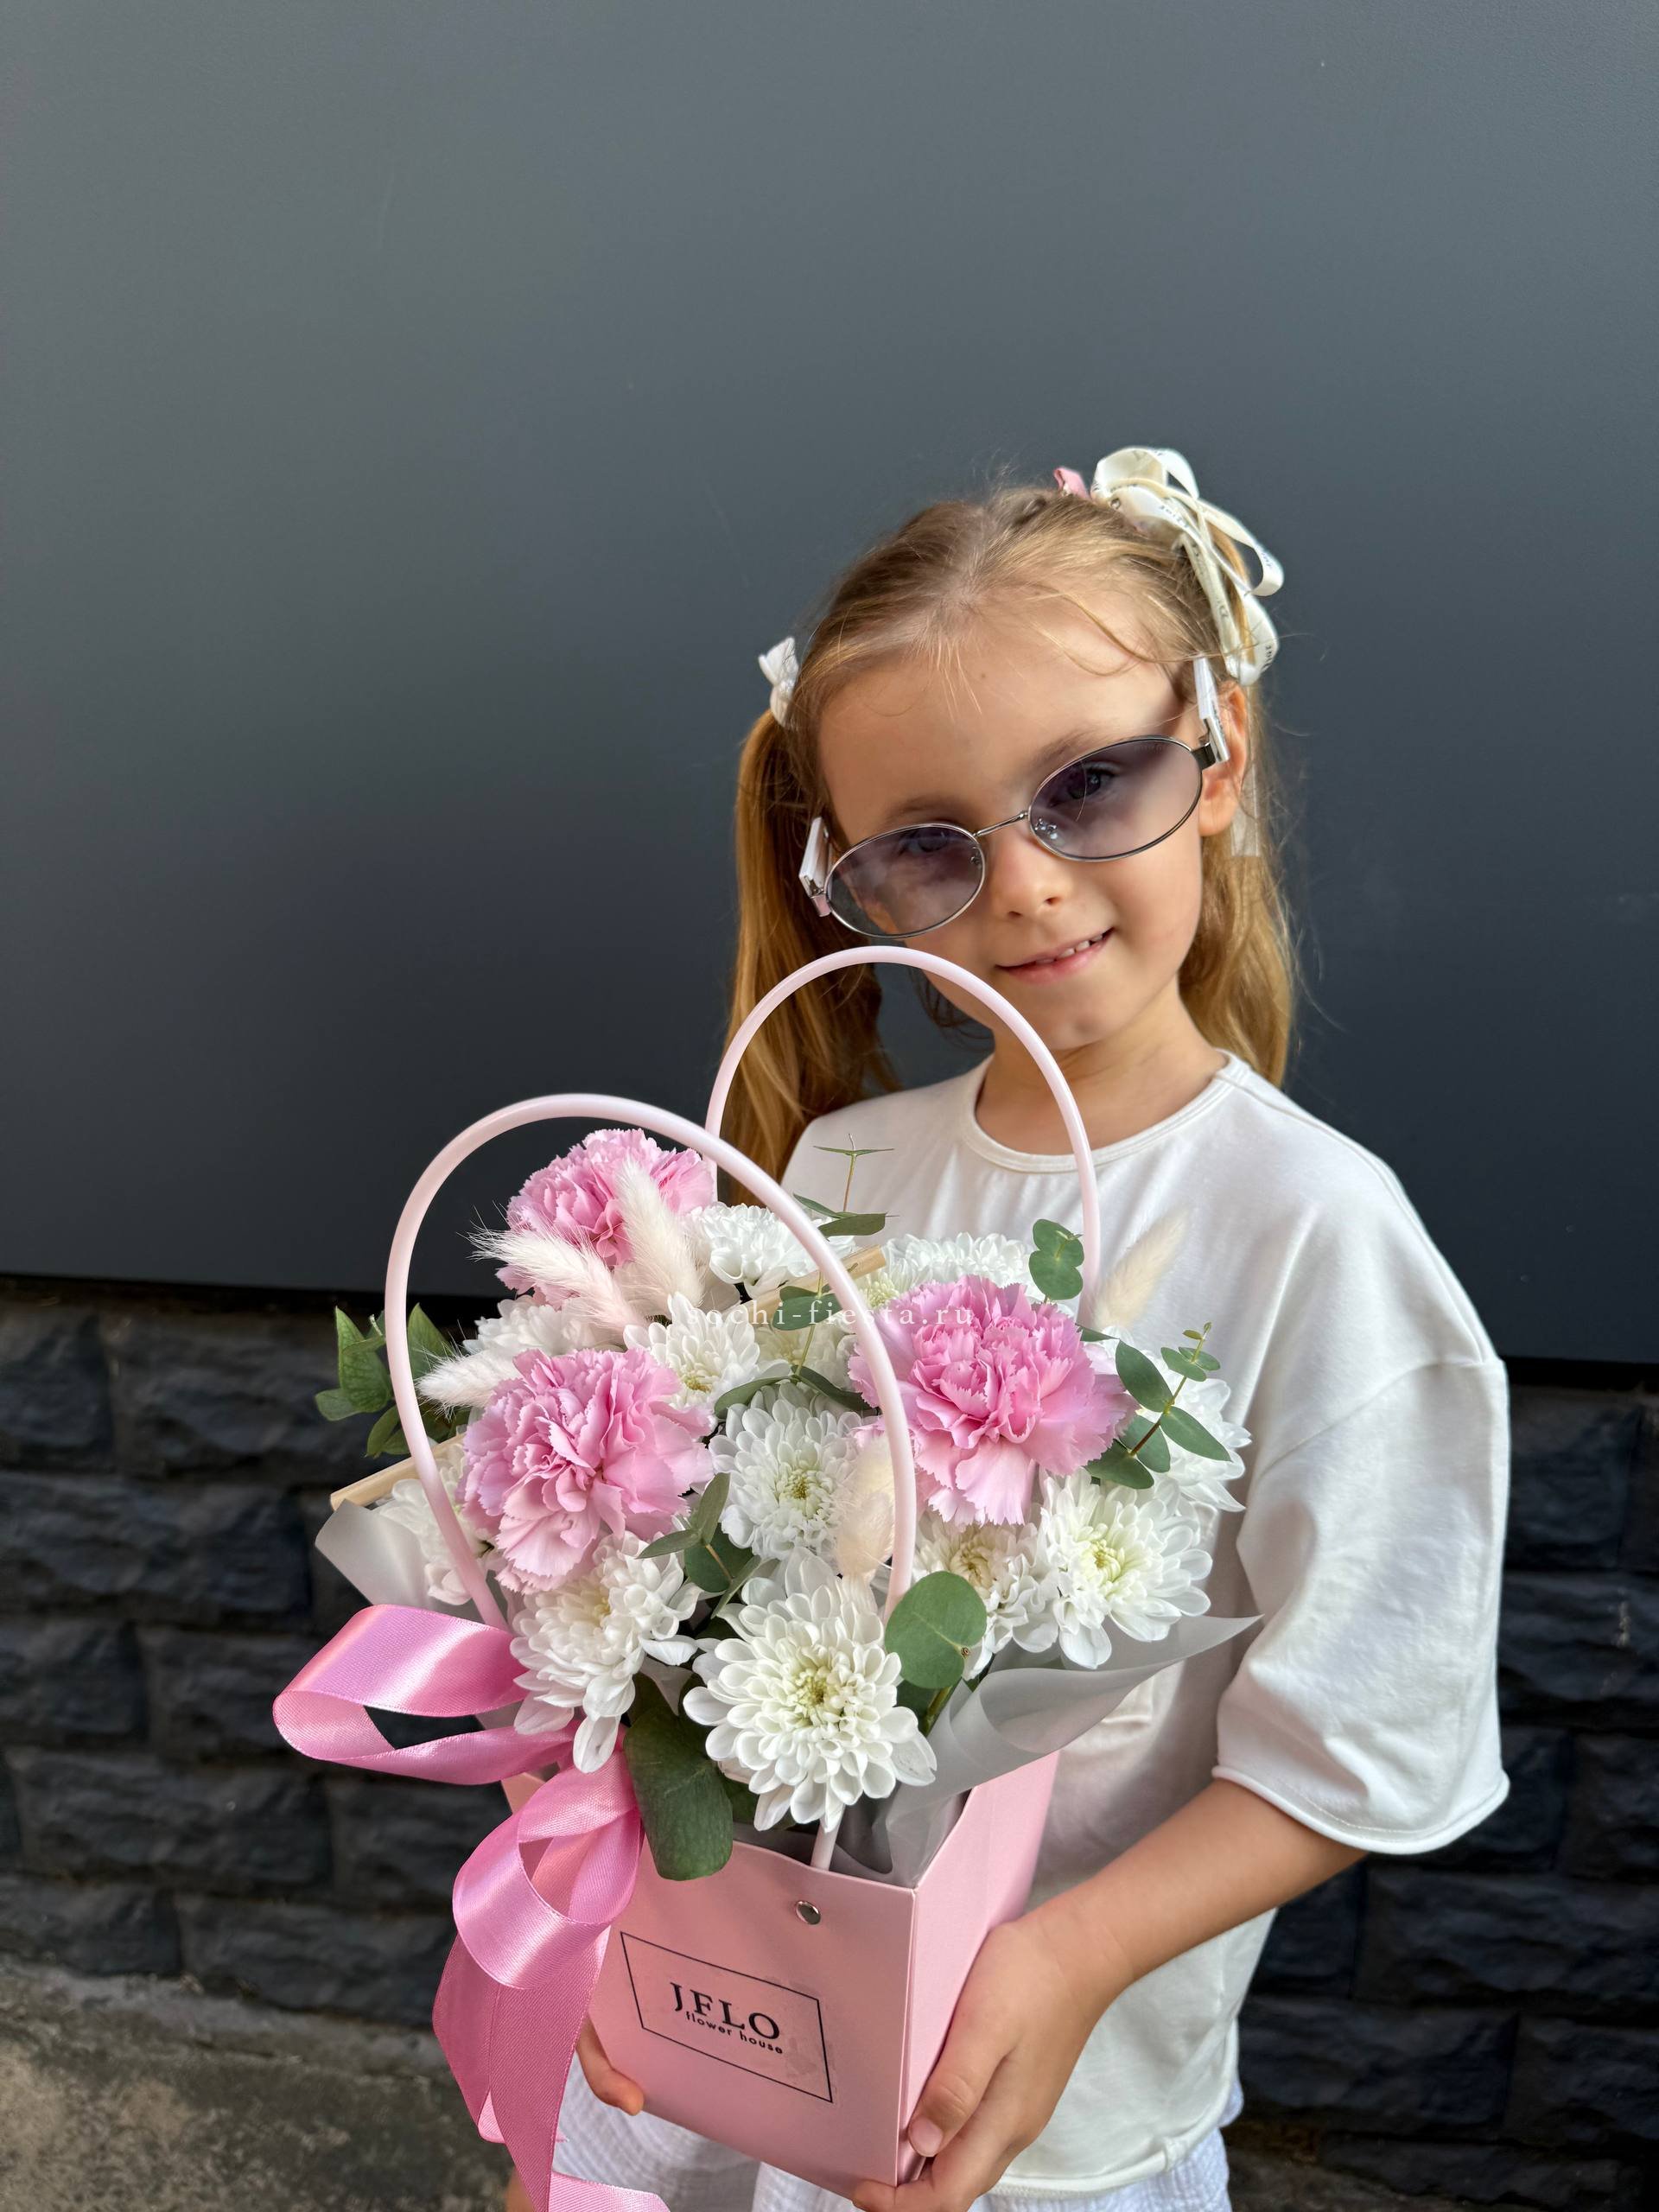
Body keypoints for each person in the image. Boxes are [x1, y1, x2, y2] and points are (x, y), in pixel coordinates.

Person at [528, 447, 1510, 2212]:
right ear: (848, 879)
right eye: (929, 844)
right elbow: (697, 1606)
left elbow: (1359, 1730)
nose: (1029, 885)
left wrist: (1070, 1958)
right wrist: (626, 1906)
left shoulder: (1311, 1233)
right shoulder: (838, 1169)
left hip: (1044, 2112)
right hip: (759, 2038)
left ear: (1217, 758)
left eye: (1089, 785)